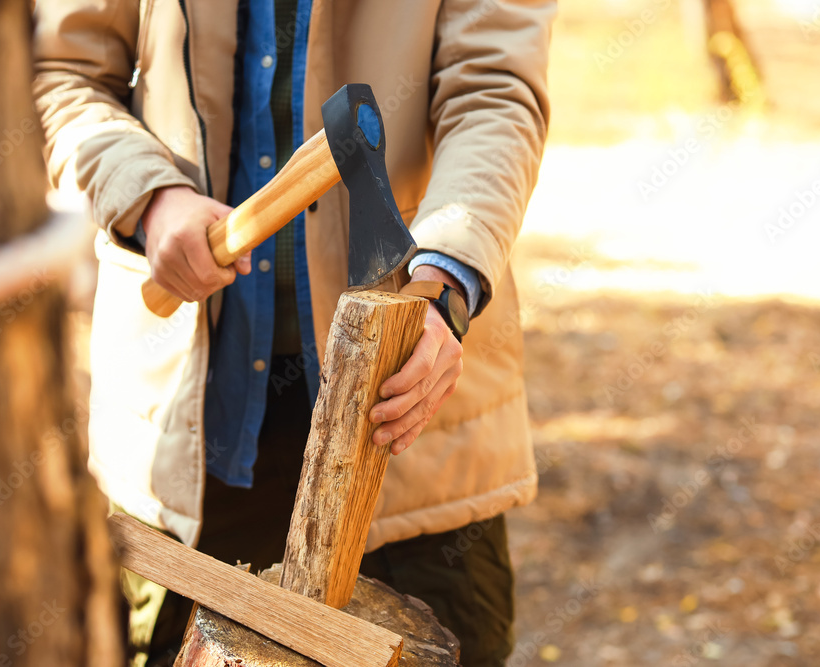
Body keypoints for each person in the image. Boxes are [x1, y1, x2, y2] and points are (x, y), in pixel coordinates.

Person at [33, 1, 553, 664]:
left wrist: (446, 279)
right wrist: (147, 194)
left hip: (411, 426)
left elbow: (495, 89)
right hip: (180, 442)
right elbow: (63, 70)